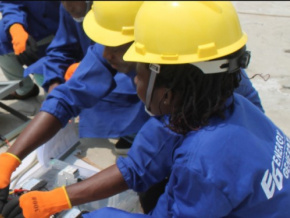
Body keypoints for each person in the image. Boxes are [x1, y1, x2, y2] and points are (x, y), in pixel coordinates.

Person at [0, 1, 280, 217]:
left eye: (139, 71)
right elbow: (139, 165)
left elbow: (206, 174)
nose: (106, 55)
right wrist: (48, 192)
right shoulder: (204, 102)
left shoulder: (205, 160)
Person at [23, 1, 143, 154]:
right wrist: (55, 84)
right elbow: (63, 49)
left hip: (126, 75)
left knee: (101, 92)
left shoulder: (119, 10)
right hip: (100, 66)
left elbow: (98, 69)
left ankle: (133, 132)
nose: (67, 6)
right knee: (45, 73)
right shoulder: (69, 8)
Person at [0, 1, 60, 100]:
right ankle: (25, 89)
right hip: (31, 17)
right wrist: (15, 27)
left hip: (67, 25)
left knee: (54, 93)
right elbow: (10, 2)